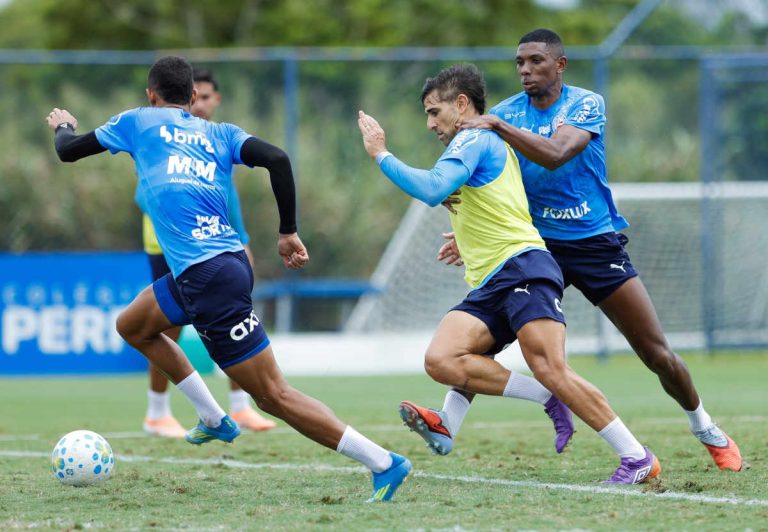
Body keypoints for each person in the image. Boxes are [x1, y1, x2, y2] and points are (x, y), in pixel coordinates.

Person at [46, 55, 411, 502]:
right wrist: (287, 232)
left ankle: (383, 462)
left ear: (151, 95)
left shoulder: (137, 121)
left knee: (273, 395)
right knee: (133, 326)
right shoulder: (221, 132)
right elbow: (277, 158)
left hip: (208, 277)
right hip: (222, 262)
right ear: (193, 97)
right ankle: (214, 417)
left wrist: (63, 124)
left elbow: (68, 150)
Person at [409, 28, 743, 473]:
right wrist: (470, 230)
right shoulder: (505, 114)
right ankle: (447, 423)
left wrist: (498, 125)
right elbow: (495, 179)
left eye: (536, 61)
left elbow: (556, 153)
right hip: (534, 247)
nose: (526, 70)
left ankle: (704, 426)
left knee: (655, 352)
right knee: (482, 336)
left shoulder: (583, 104)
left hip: (593, 243)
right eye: (520, 63)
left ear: (560, 65)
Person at [358, 63, 660, 484]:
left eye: (434, 111)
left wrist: (380, 153)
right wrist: (466, 236)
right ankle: (523, 405)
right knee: (443, 360)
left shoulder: (477, 139)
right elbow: (487, 200)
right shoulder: (469, 145)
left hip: (523, 267)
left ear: (462, 104)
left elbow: (430, 190)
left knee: (552, 368)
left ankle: (636, 456)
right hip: (490, 279)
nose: (429, 123)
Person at [140, 67, 276, 438]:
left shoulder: (215, 138)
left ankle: (237, 407)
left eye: (205, 98)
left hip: (218, 245)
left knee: (234, 315)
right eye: (193, 98)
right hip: (171, 245)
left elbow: (227, 201)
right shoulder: (161, 138)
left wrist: (242, 237)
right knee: (164, 327)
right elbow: (146, 193)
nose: (198, 104)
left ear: (214, 100)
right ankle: (157, 411)